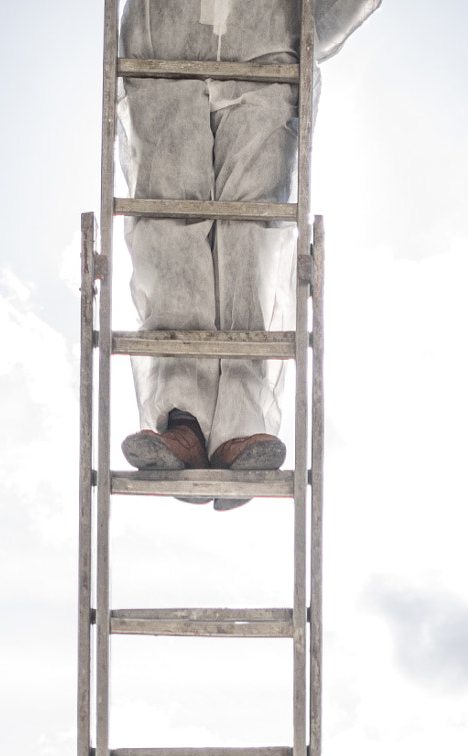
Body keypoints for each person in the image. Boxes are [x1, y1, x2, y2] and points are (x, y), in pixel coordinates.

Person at [117, 0, 381, 506]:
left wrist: (308, 28)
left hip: (263, 48)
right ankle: (184, 422)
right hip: (163, 44)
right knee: (169, 222)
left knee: (250, 234)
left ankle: (241, 423)